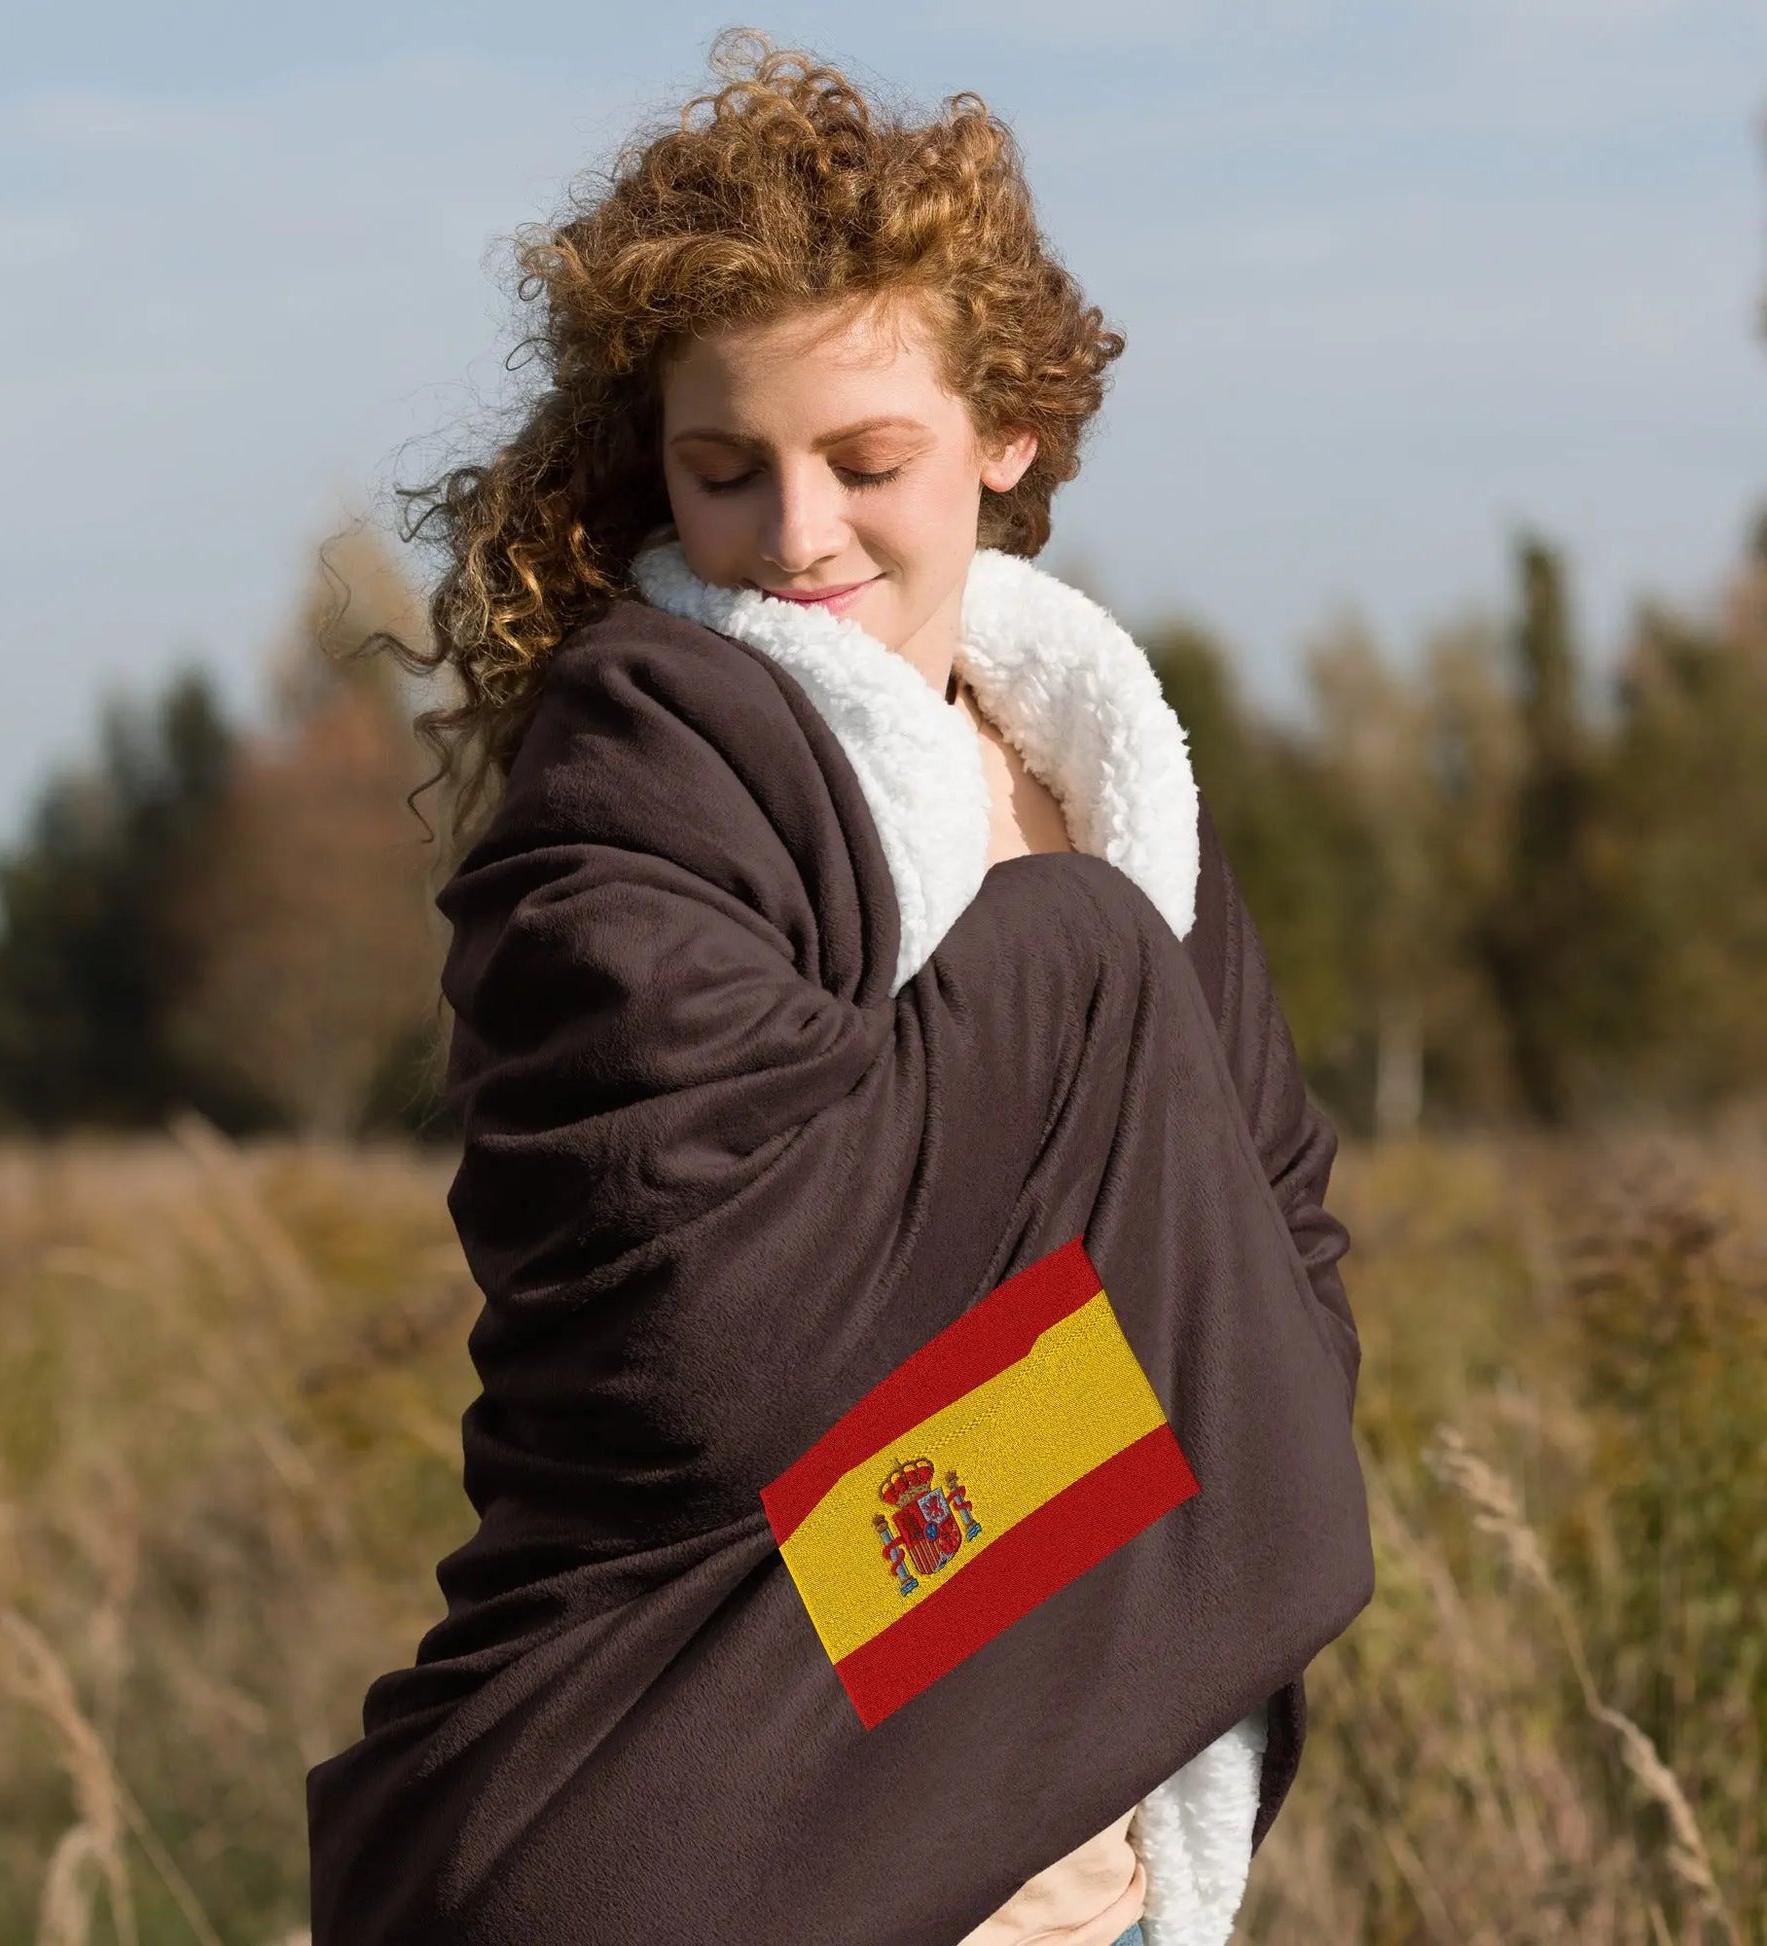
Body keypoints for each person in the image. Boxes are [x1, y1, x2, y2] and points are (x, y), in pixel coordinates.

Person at [307, 31, 1372, 1946]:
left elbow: (1276, 1269)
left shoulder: (1104, 782)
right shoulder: (637, 777)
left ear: (1006, 435)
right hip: (715, 1816)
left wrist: (1042, 1558)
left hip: (1086, 1864)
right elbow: (705, 1343)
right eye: (725, 471)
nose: (794, 536)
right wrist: (1115, 1453)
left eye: (864, 462)